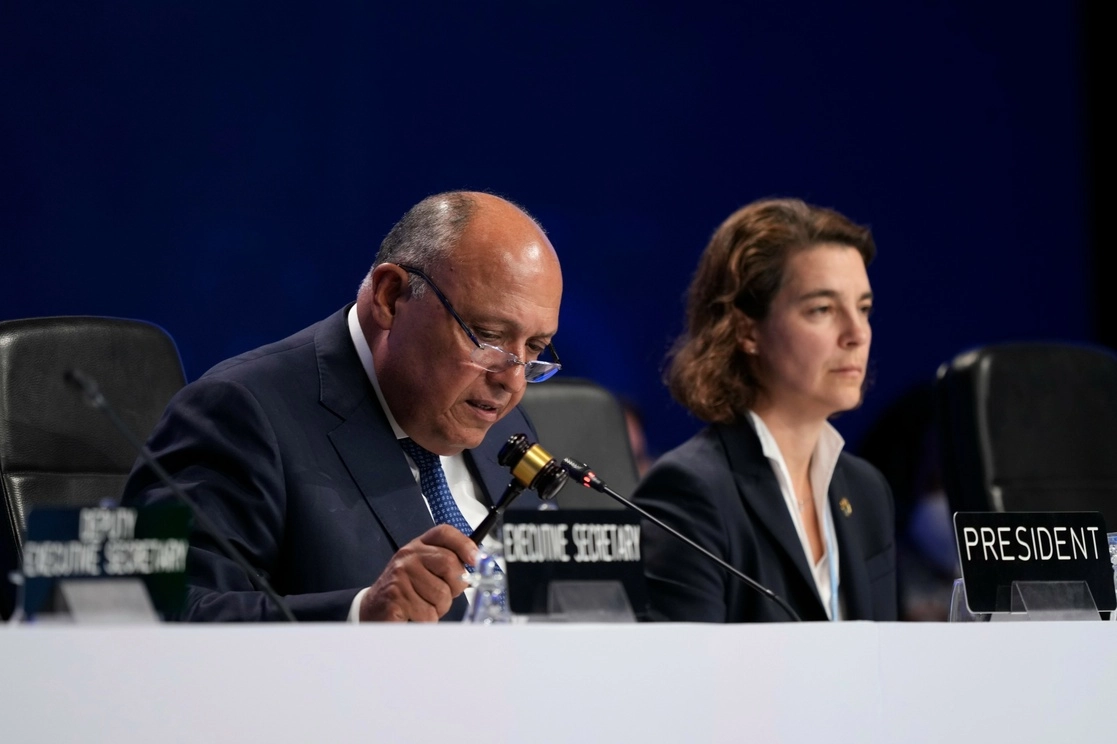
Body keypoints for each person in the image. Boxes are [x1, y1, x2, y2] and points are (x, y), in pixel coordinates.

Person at [122, 191, 564, 622]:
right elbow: (163, 609)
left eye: (536, 348)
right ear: (392, 297)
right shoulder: (240, 414)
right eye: (488, 337)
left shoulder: (499, 427)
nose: (513, 379)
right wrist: (359, 615)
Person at [632, 197, 896, 622]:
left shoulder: (866, 492)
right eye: (823, 309)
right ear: (746, 330)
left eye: (863, 308)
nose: (856, 333)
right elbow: (679, 680)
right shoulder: (692, 491)